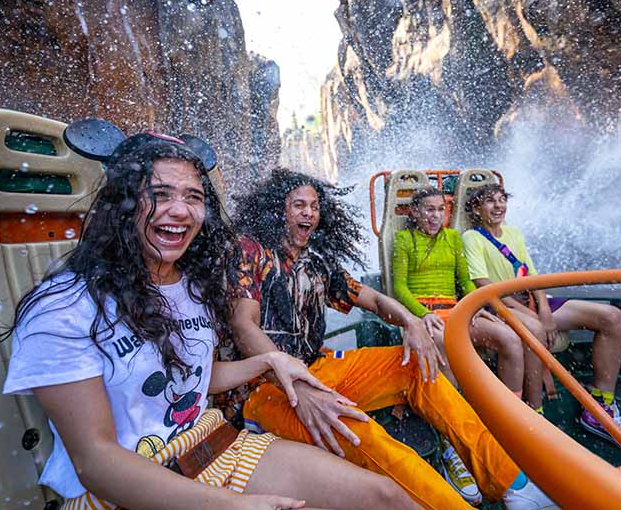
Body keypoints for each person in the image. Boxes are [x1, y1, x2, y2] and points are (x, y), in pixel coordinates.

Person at [2, 132, 413, 510]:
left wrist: (269, 364)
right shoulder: (63, 307)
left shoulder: (191, 287)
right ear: (123, 203)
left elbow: (188, 377)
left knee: (386, 497)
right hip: (128, 489)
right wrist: (231, 506)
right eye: (159, 194)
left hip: (216, 446)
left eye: (193, 197)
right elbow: (96, 462)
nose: (179, 210)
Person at [215, 168, 560, 510]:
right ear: (279, 209)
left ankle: (511, 483)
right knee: (360, 430)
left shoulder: (316, 261)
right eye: (299, 205)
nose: (309, 213)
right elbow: (245, 326)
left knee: (415, 366)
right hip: (264, 390)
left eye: (315, 206)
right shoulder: (250, 251)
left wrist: (411, 321)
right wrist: (298, 386)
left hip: (316, 369)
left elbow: (373, 299)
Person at [462, 183, 621, 459]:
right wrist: (535, 318)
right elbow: (482, 283)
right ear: (476, 209)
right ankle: (534, 413)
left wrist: (542, 308)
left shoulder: (514, 233)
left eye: (501, 199)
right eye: (489, 202)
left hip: (530, 301)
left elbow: (532, 275)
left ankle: (601, 408)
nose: (498, 206)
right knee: (533, 330)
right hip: (501, 304)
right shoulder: (472, 237)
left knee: (612, 318)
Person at [391, 187, 526, 505]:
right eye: (428, 210)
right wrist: (423, 315)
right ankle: (453, 444)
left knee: (509, 339)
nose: (435, 216)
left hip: (455, 309)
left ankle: (508, 421)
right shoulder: (404, 241)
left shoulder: (453, 240)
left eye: (440, 209)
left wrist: (475, 304)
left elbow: (465, 283)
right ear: (414, 213)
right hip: (421, 314)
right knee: (448, 347)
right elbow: (399, 288)